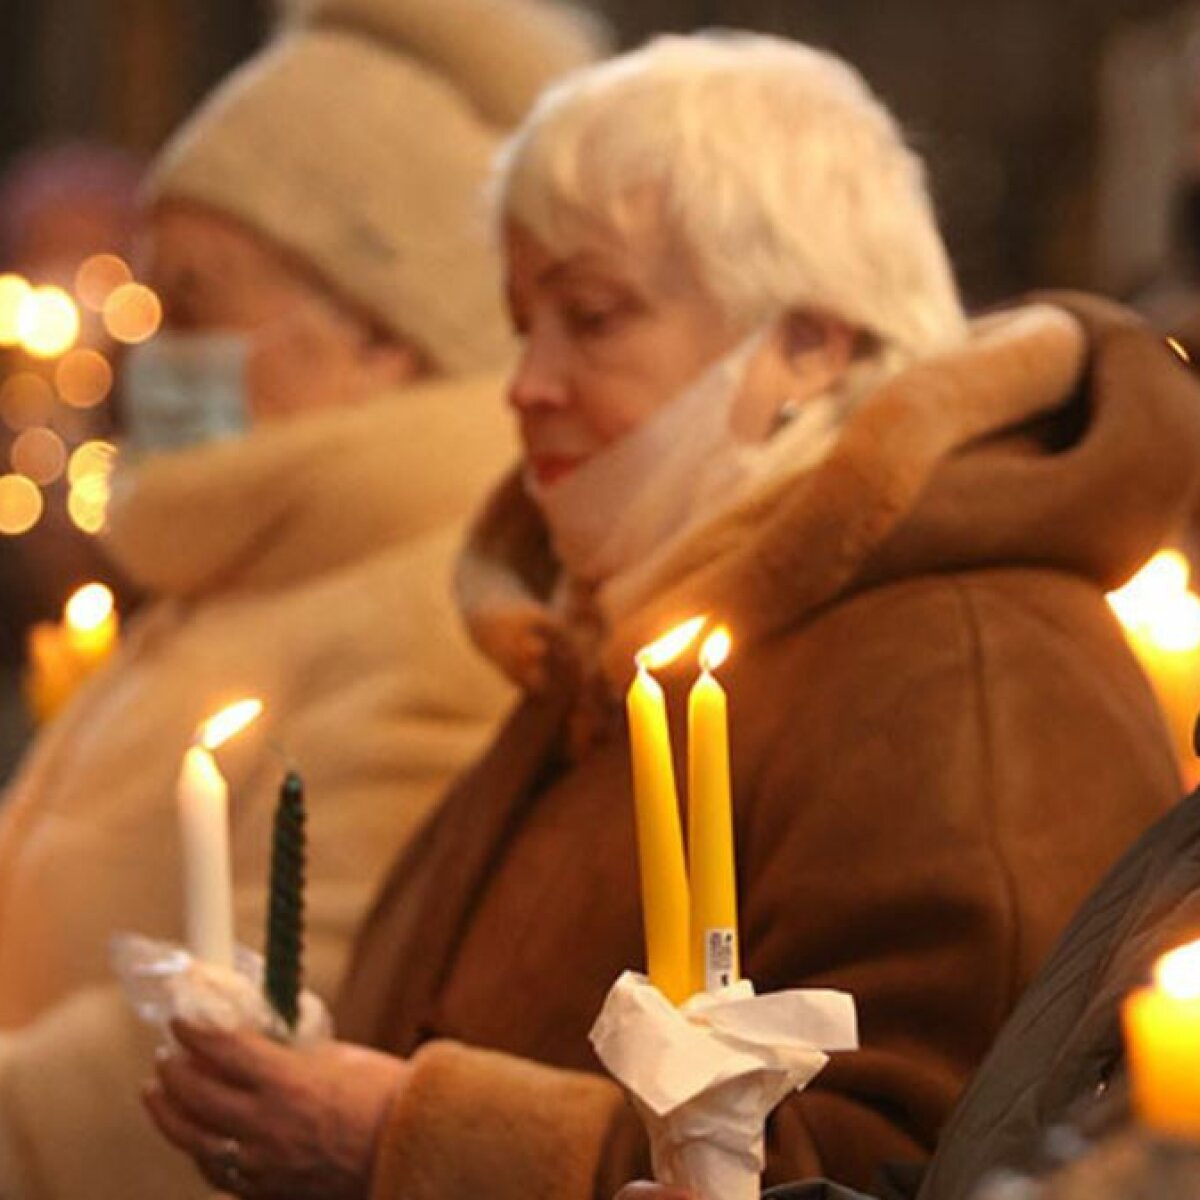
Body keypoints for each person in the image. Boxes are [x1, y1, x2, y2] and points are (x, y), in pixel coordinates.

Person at [146, 30, 1200, 1200]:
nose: (525, 382)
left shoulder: (967, 664)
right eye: (521, 321)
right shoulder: (613, 638)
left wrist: (411, 1134)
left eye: (589, 317)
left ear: (810, 338)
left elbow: (912, 1165)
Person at [0, 1, 603, 1197]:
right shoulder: (252, 568)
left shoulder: (439, 611)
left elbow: (271, 1023)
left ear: (381, 333)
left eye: (199, 302)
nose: (156, 352)